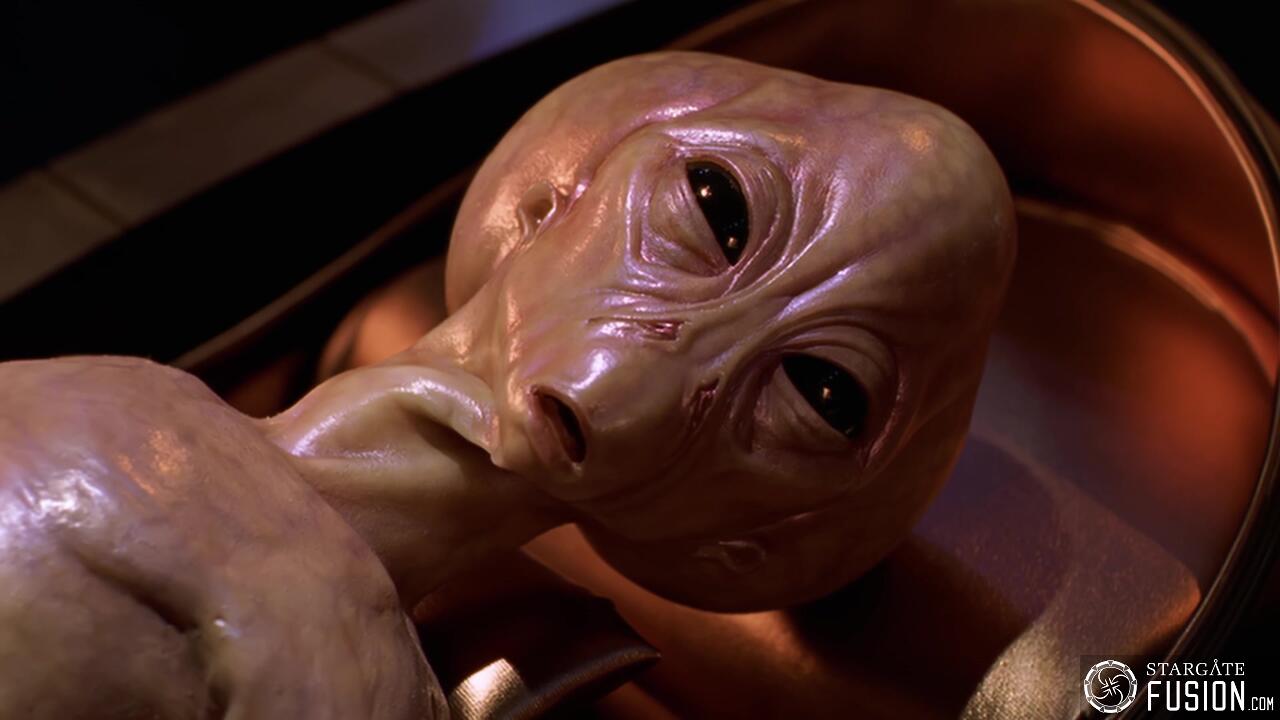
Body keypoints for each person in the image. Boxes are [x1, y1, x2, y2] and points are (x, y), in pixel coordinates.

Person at [0, 52, 1013, 719]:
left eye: (823, 393)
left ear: (754, 537)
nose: (632, 382)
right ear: (554, 186)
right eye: (715, 209)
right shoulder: (128, 407)